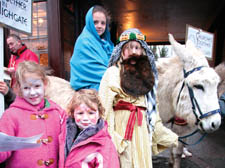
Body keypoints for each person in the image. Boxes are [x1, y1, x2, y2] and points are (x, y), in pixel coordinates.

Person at [99, 28, 178, 168]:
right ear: (121, 52)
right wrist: (115, 140)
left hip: (142, 132)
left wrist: (169, 136)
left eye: (137, 48)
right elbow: (104, 111)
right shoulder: (111, 73)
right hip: (121, 132)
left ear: (143, 52)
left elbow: (153, 112)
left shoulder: (147, 78)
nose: (134, 51)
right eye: (129, 48)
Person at [0, 61, 66, 168]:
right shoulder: (11, 116)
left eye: (36, 86)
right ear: (19, 88)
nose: (32, 93)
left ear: (44, 84)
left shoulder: (58, 113)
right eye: (26, 88)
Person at [58, 89, 120, 168]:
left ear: (99, 113)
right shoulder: (64, 135)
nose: (85, 118)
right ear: (73, 114)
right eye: (80, 113)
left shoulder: (104, 144)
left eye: (91, 113)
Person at [70, 5, 114, 91]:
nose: (99, 26)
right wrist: (114, 77)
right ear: (89, 22)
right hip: (87, 87)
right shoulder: (84, 41)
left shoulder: (106, 43)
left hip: (104, 82)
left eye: (103, 23)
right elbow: (89, 68)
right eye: (95, 22)